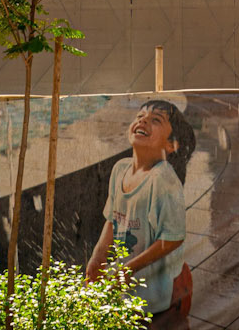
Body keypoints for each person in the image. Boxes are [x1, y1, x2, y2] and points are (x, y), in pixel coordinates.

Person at [86, 99, 193, 319]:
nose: (143, 120)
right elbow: (112, 222)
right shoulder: (120, 169)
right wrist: (97, 260)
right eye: (140, 116)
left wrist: (129, 269)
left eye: (155, 120)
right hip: (125, 284)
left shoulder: (164, 180)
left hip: (154, 295)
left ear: (171, 144)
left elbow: (172, 239)